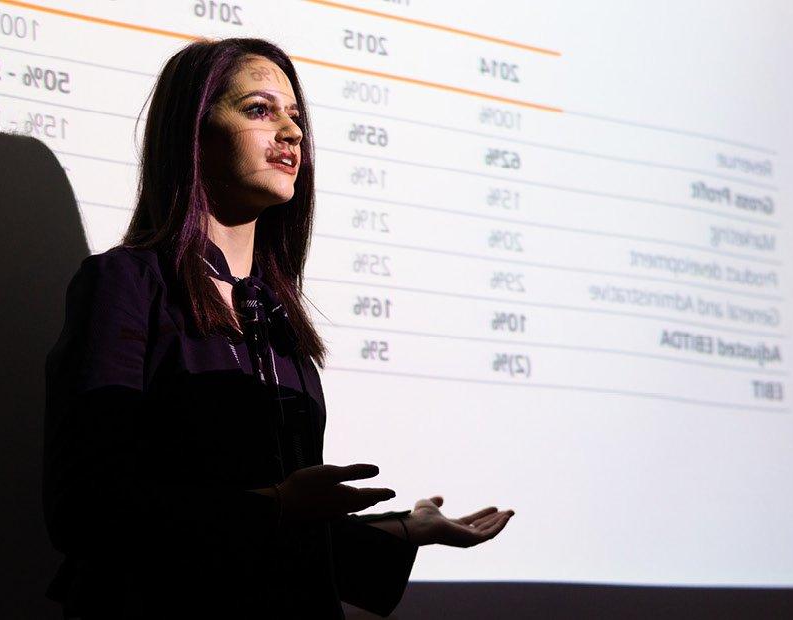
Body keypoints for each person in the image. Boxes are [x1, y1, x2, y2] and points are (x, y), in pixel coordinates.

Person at [42, 38, 514, 618]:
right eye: (259, 110)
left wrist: (405, 529)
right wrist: (275, 505)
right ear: (194, 132)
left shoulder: (277, 316)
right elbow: (85, 508)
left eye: (296, 118)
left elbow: (282, 532)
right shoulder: (126, 285)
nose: (291, 133)